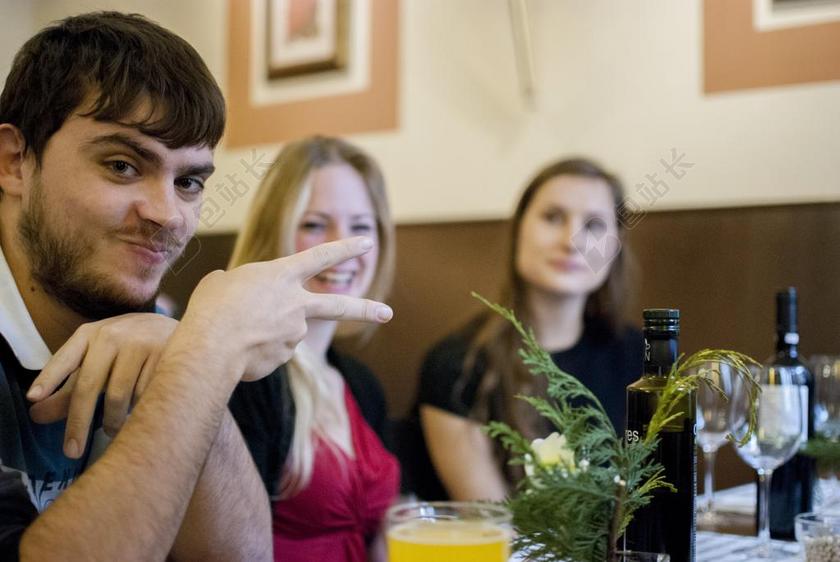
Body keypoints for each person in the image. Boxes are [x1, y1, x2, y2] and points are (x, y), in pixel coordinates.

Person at [0, 13, 392, 561]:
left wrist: (185, 352)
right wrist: (206, 352)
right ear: (15, 161)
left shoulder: (151, 336)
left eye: (188, 182)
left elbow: (242, 556)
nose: (168, 215)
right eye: (122, 165)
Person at [412, 157, 642, 501]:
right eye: (553, 218)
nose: (571, 241)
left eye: (594, 225)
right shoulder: (458, 365)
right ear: (519, 228)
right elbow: (495, 522)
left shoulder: (637, 356)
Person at [227, 136, 399, 562]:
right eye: (315, 224)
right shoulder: (246, 375)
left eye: (361, 226)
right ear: (273, 233)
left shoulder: (361, 384)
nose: (341, 248)